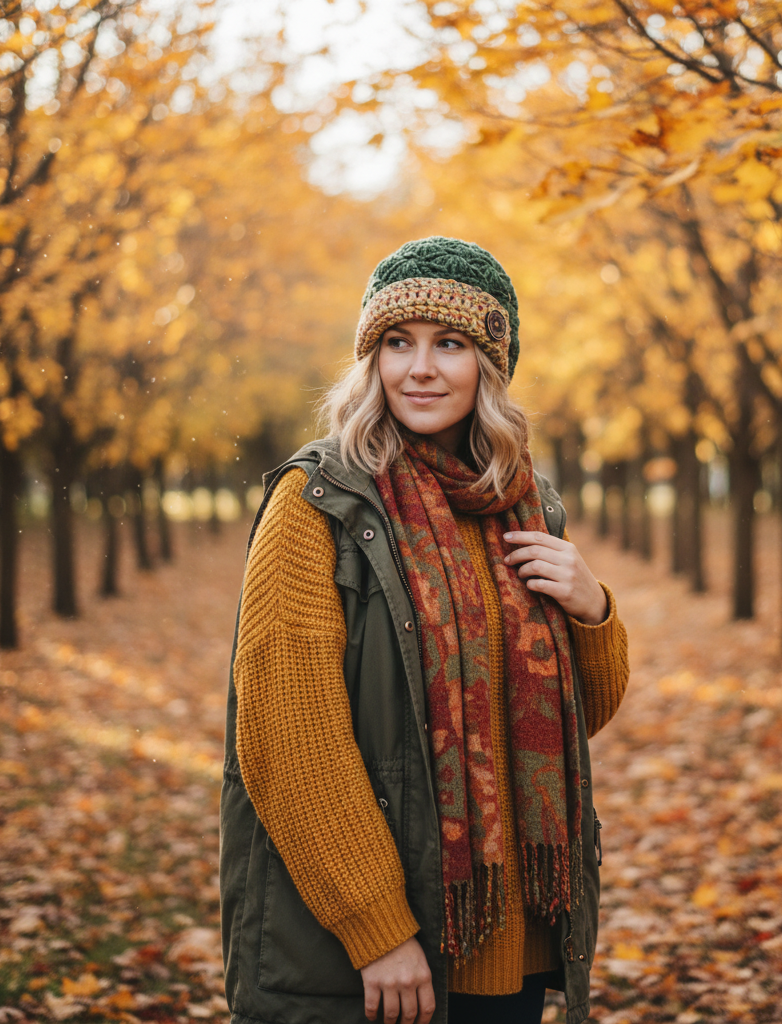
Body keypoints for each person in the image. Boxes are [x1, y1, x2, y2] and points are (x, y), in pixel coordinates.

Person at [220, 237, 629, 1024]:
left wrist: (591, 611)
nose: (420, 369)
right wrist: (376, 929)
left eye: (451, 345)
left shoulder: (521, 502)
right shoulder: (318, 506)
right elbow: (287, 740)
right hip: (383, 952)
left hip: (515, 940)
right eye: (396, 344)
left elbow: (569, 723)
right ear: (369, 362)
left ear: (492, 365)